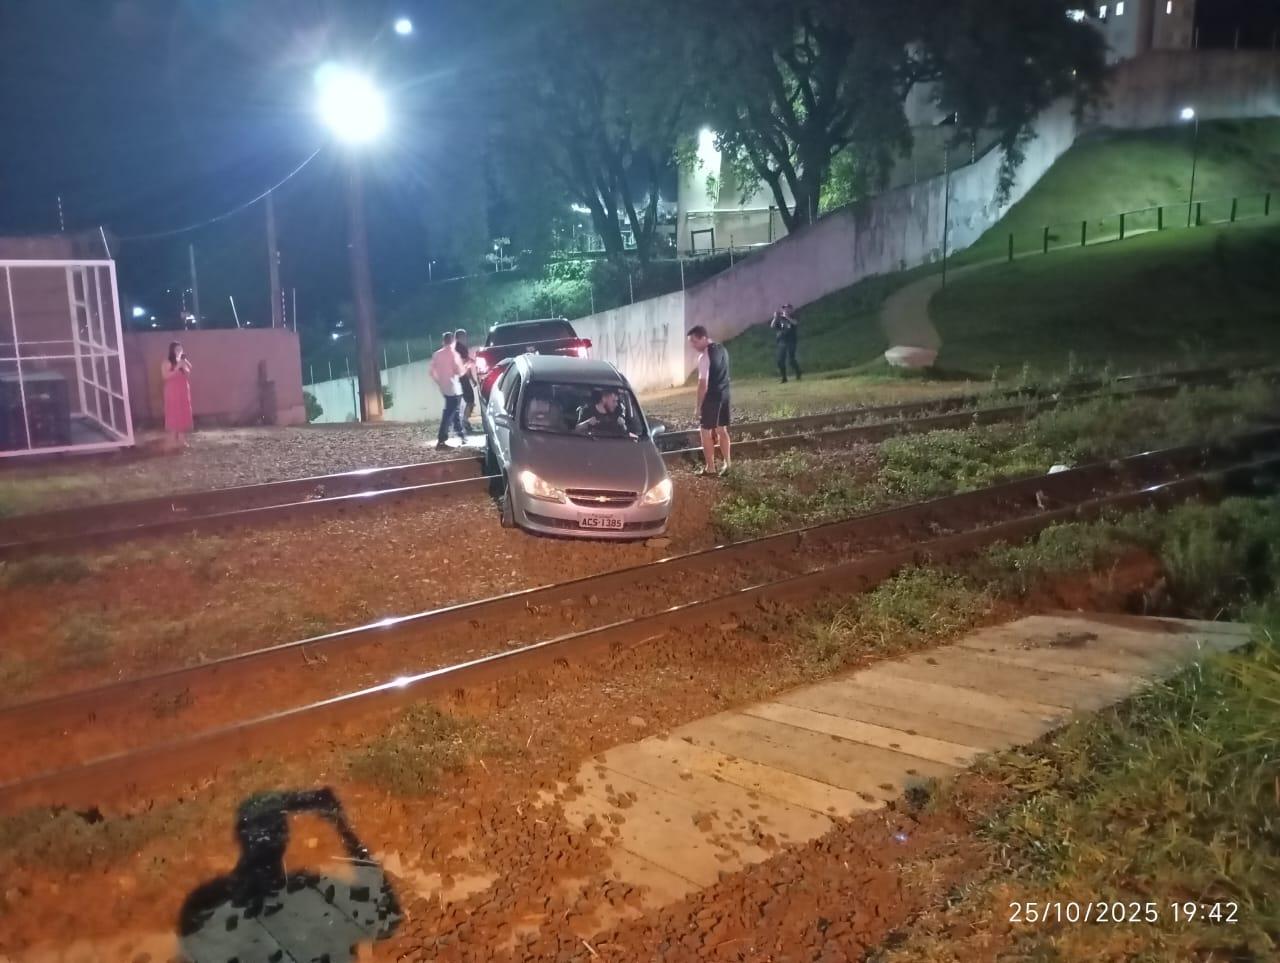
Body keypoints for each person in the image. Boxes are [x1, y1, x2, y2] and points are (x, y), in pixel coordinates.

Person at [178, 789, 401, 963]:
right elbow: (386, 919)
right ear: (285, 841)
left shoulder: (204, 907)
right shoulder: (313, 896)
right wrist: (341, 826)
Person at [686, 325, 731, 476]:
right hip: (724, 394)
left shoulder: (705, 356)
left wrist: (698, 406)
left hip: (712, 397)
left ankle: (710, 468)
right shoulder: (722, 349)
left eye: (694, 341)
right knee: (722, 430)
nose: (693, 346)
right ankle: (728, 464)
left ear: (703, 338)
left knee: (705, 431)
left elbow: (702, 384)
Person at [429, 331, 467, 450]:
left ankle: (461, 434)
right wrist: (467, 366)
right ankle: (442, 439)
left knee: (453, 411)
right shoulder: (454, 354)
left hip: (444, 387)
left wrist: (439, 381)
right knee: (450, 413)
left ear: (443, 341)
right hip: (454, 387)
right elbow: (459, 372)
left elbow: (431, 372)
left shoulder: (436, 355)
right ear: (453, 341)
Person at [161, 340, 194, 451]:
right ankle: (172, 438)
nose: (179, 351)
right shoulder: (167, 362)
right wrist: (176, 367)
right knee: (174, 411)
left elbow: (189, 373)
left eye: (181, 349)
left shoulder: (182, 361)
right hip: (172, 391)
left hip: (183, 390)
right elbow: (165, 376)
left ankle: (181, 438)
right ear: (172, 351)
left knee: (183, 412)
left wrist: (184, 363)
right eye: (177, 349)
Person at [454, 328, 479, 432]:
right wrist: (472, 379)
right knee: (470, 400)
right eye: (464, 336)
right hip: (462, 378)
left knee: (460, 401)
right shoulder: (461, 348)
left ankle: (461, 422)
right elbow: (465, 365)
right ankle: (464, 421)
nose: (466, 338)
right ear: (460, 337)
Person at [770, 303, 801, 383]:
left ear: (791, 309)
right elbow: (772, 326)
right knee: (780, 361)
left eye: (787, 308)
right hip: (782, 341)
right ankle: (784, 378)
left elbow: (795, 323)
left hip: (791, 341)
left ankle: (798, 372)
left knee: (791, 360)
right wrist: (775, 318)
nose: (785, 310)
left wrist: (787, 317)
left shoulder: (793, 316)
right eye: (784, 308)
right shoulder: (780, 319)